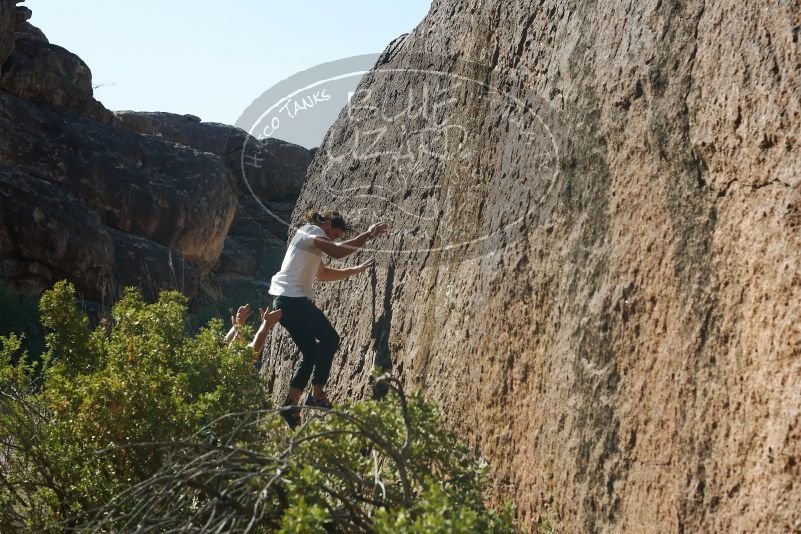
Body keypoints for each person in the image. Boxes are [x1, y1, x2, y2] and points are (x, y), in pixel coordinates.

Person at [268, 209, 388, 428]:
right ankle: (317, 394)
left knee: (311, 353)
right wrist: (368, 235)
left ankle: (291, 404)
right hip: (294, 301)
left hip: (283, 303)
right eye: (334, 235)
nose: (332, 240)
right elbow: (337, 252)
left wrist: (354, 270)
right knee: (330, 339)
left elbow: (322, 274)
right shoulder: (311, 230)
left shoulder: (308, 243)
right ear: (328, 224)